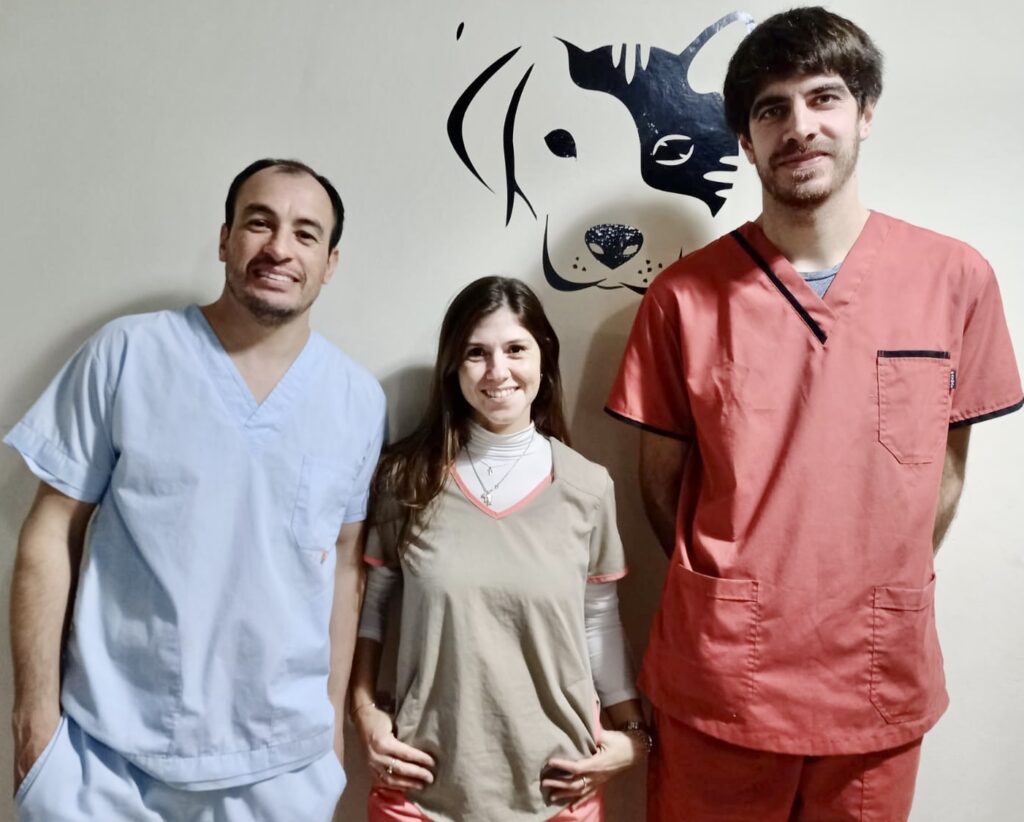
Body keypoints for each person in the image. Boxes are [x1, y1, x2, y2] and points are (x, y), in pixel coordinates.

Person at [605, 7, 1022, 821]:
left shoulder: (955, 279)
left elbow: (945, 469)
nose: (799, 126)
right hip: (724, 675)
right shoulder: (683, 298)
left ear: (864, 113)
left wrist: (873, 578)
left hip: (876, 673)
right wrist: (732, 592)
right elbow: (661, 487)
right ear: (745, 138)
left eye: (823, 98)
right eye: (773, 109)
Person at [5, 158, 386, 820]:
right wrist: (34, 718)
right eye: (259, 223)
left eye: (305, 233)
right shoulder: (127, 353)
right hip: (106, 757)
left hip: (281, 766)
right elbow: (51, 529)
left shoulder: (357, 399)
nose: (279, 248)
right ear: (224, 239)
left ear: (330, 263)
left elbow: (347, 564)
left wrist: (329, 738)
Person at [350, 276, 651, 821]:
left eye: (515, 349)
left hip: (560, 786)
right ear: (452, 367)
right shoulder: (405, 481)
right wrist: (364, 711)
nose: (497, 371)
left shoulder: (588, 487)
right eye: (476, 353)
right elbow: (370, 610)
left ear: (544, 359)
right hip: (420, 786)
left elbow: (598, 621)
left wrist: (632, 734)